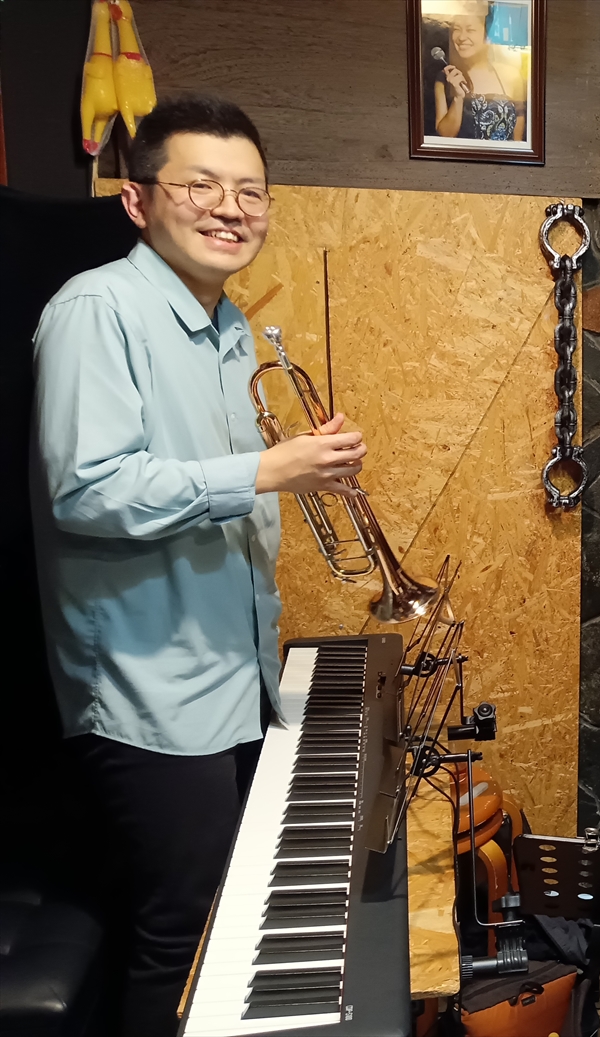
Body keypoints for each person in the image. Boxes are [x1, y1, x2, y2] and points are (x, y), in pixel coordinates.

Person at [29, 95, 367, 1037]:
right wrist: (267, 470)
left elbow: (214, 495)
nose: (230, 208)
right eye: (201, 186)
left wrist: (295, 470)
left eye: (250, 191)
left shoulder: (231, 329)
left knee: (223, 922)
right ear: (138, 200)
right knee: (181, 935)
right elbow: (87, 490)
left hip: (230, 675)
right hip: (148, 691)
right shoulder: (98, 309)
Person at [430, 1, 525, 141]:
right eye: (456, 29)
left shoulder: (511, 75)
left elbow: (518, 140)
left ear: (487, 34)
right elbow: (446, 135)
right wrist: (458, 98)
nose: (461, 37)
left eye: (470, 30)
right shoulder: (445, 78)